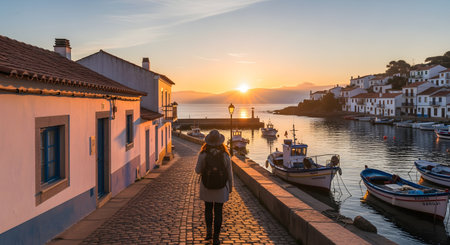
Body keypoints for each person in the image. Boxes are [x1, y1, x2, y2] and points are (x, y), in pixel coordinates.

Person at [195, 130, 233, 245]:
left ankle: (208, 233)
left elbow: (197, 171)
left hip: (207, 186)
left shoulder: (203, 154)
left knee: (208, 209)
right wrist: (230, 188)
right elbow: (229, 173)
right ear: (220, 142)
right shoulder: (225, 155)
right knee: (218, 211)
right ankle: (216, 238)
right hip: (221, 187)